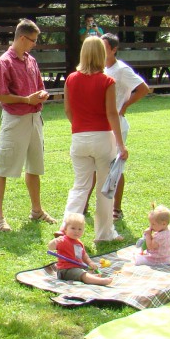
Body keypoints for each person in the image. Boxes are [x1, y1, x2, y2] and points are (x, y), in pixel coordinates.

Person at [0, 19, 56, 232]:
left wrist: (41, 95)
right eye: (32, 40)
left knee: (35, 166)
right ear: (21, 38)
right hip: (15, 119)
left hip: (34, 119)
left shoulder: (31, 61)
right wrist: (27, 100)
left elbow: (39, 87)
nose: (34, 44)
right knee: (3, 167)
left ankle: (37, 210)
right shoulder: (4, 62)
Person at [62, 36, 128, 243]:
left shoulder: (71, 79)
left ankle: (66, 230)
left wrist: (79, 127)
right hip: (102, 137)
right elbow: (111, 113)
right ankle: (104, 234)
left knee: (80, 186)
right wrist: (121, 144)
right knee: (104, 188)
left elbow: (68, 110)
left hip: (79, 137)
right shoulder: (107, 81)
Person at [97, 33, 149, 220]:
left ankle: (116, 209)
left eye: (104, 48)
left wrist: (125, 105)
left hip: (117, 124)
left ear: (113, 49)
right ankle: (90, 205)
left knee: (116, 167)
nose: (101, 52)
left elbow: (143, 88)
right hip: (102, 124)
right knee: (98, 165)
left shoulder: (121, 69)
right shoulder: (100, 68)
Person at [46, 213, 112, 285]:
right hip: (65, 270)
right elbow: (50, 247)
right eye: (73, 228)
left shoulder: (79, 243)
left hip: (78, 267)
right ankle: (99, 281)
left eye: (80, 229)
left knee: (89, 270)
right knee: (82, 273)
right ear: (65, 229)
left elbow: (84, 256)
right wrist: (54, 241)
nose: (76, 231)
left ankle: (92, 277)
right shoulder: (63, 240)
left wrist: (90, 263)